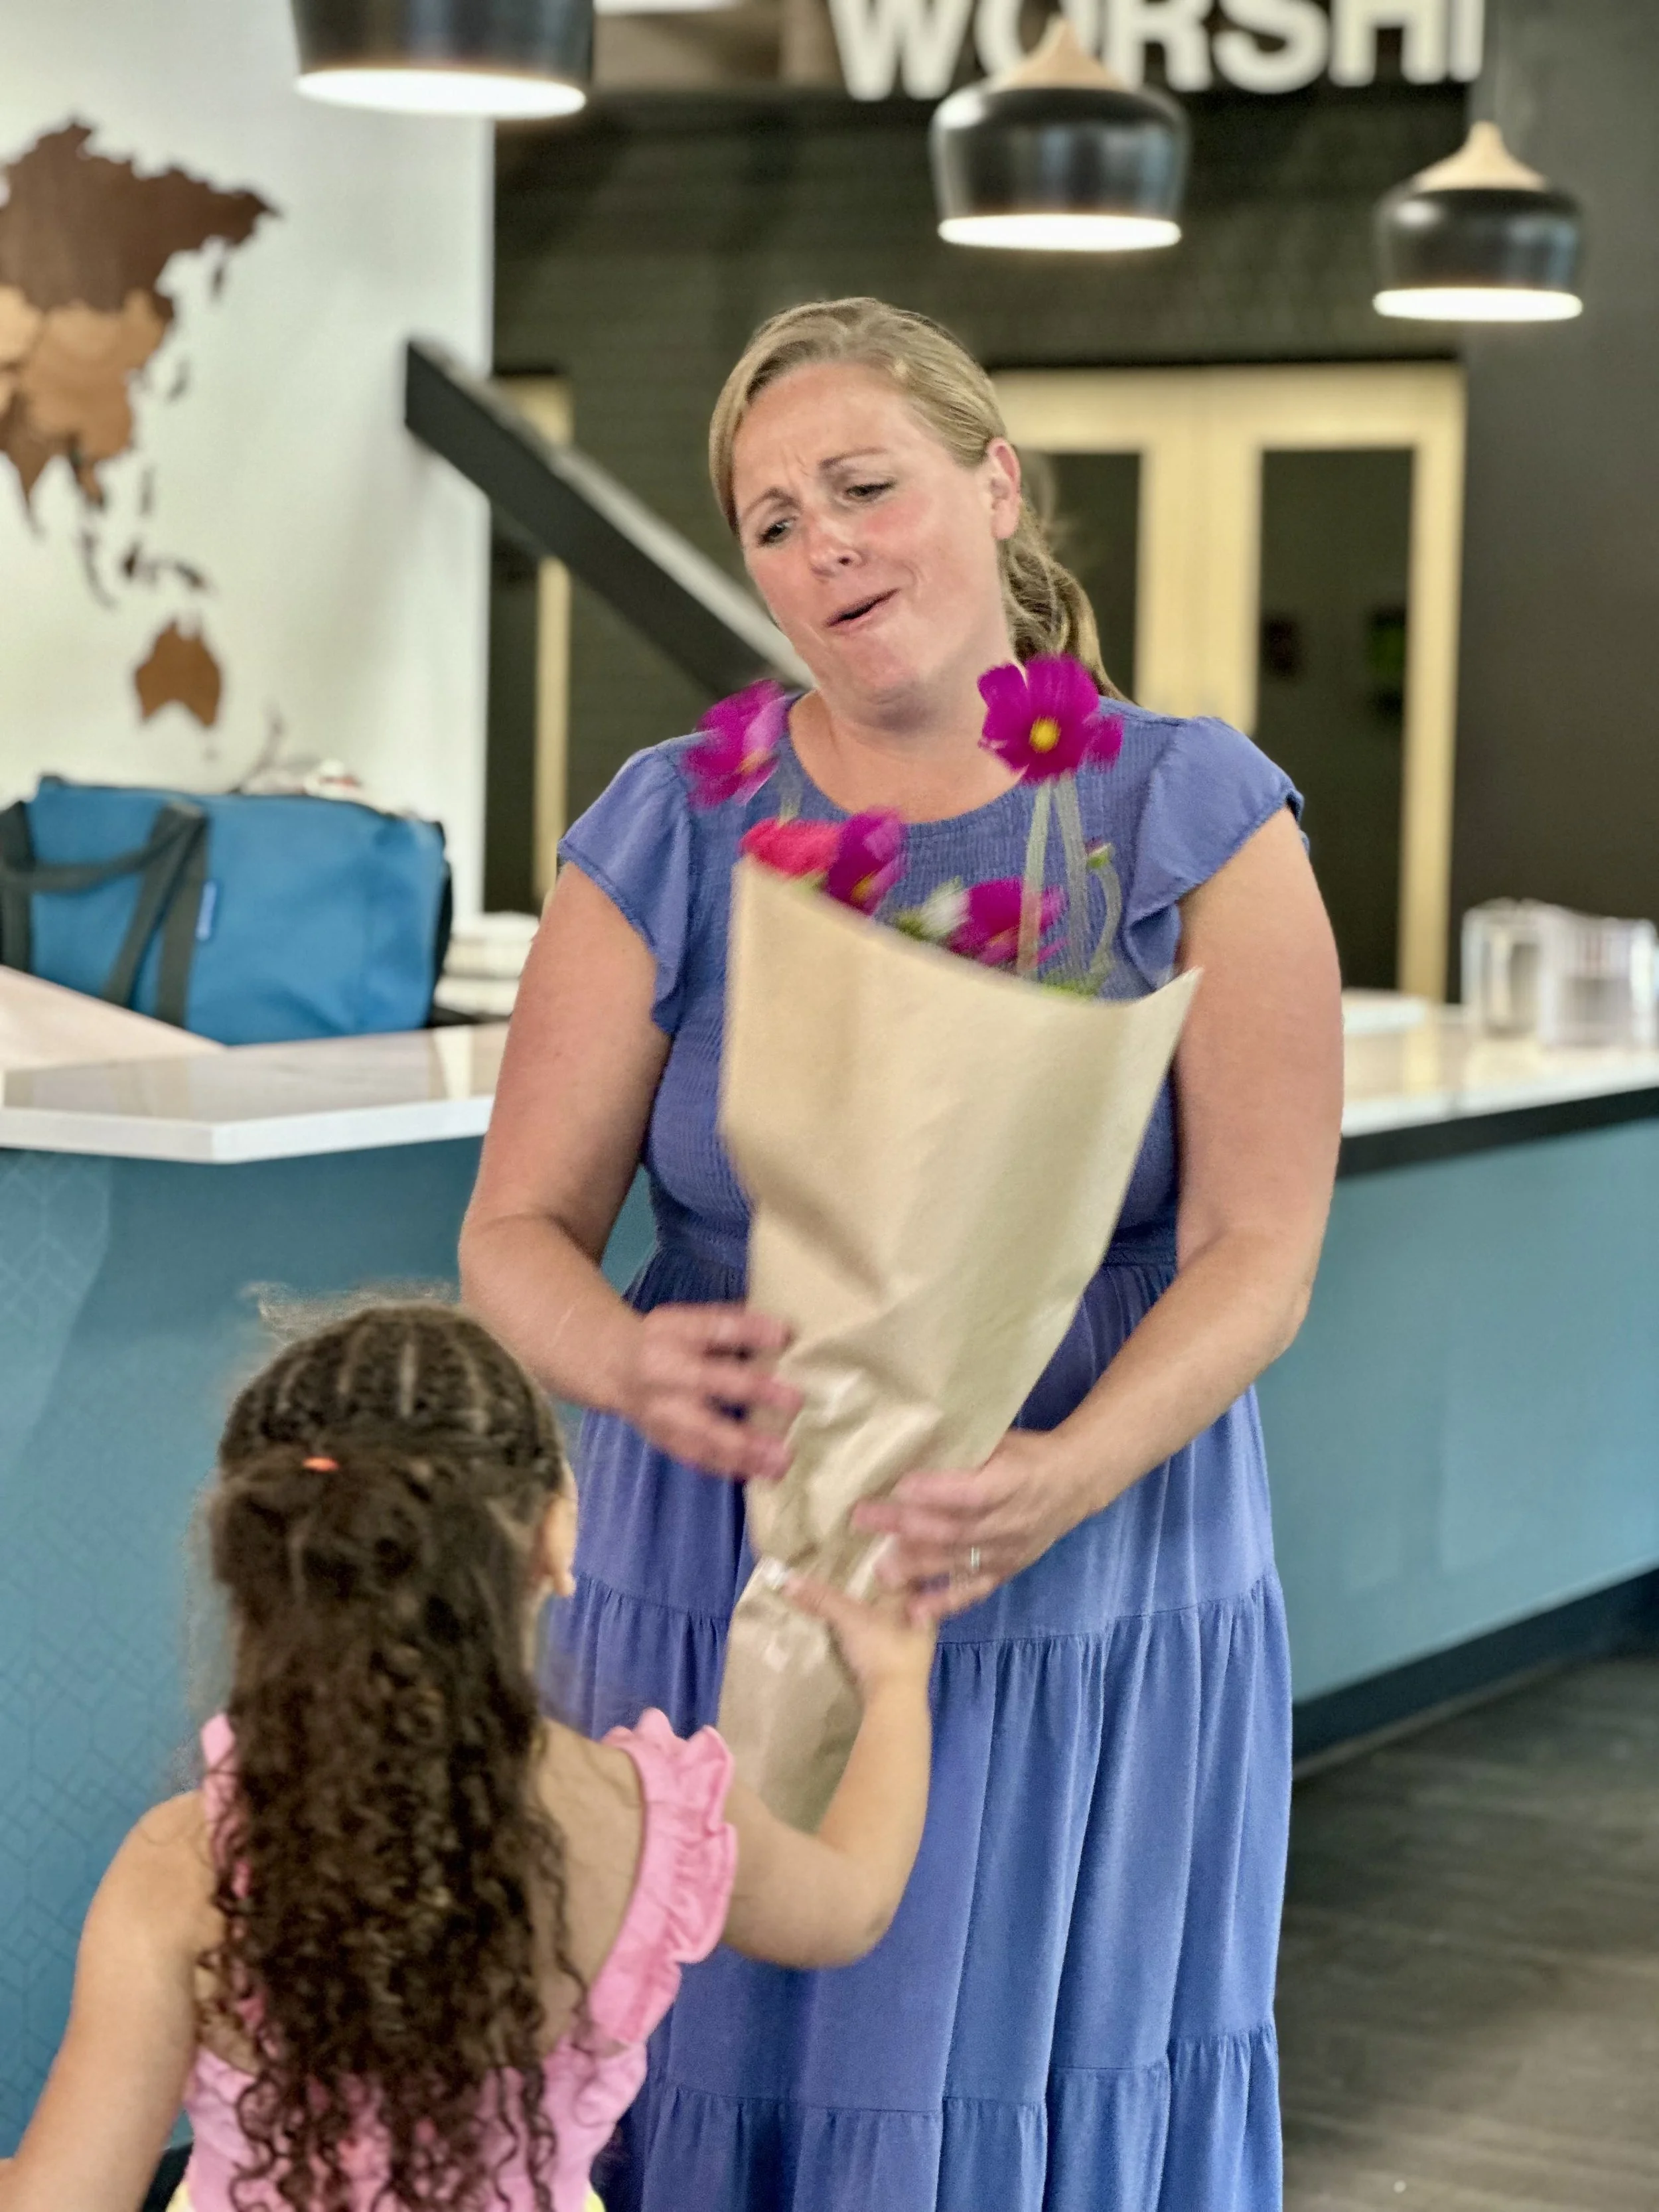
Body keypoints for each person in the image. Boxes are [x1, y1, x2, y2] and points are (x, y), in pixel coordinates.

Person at [460, 296, 1343, 2211]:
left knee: (1034, 2058)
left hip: (1089, 1561)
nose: (818, 544)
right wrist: (623, 1360)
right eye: (770, 520)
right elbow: (513, 1234)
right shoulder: (674, 822)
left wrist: (1061, 1474)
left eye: (862, 486)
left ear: (996, 482)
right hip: (718, 1561)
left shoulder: (1187, 817)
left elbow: (1259, 1248)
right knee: (694, 2045)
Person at [0, 1303, 935, 2212]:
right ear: (556, 1538)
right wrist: (894, 1689)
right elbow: (854, 1909)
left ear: (266, 1574)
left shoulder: (180, 1874)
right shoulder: (655, 1821)